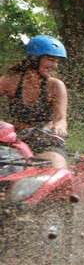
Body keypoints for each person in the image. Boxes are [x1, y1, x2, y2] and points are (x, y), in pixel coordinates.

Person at [0, 35, 69, 169]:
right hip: (13, 138)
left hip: (45, 140)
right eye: (50, 60)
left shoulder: (56, 86)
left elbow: (61, 119)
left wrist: (59, 127)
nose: (54, 66)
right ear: (34, 59)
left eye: (57, 61)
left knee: (55, 169)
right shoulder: (10, 81)